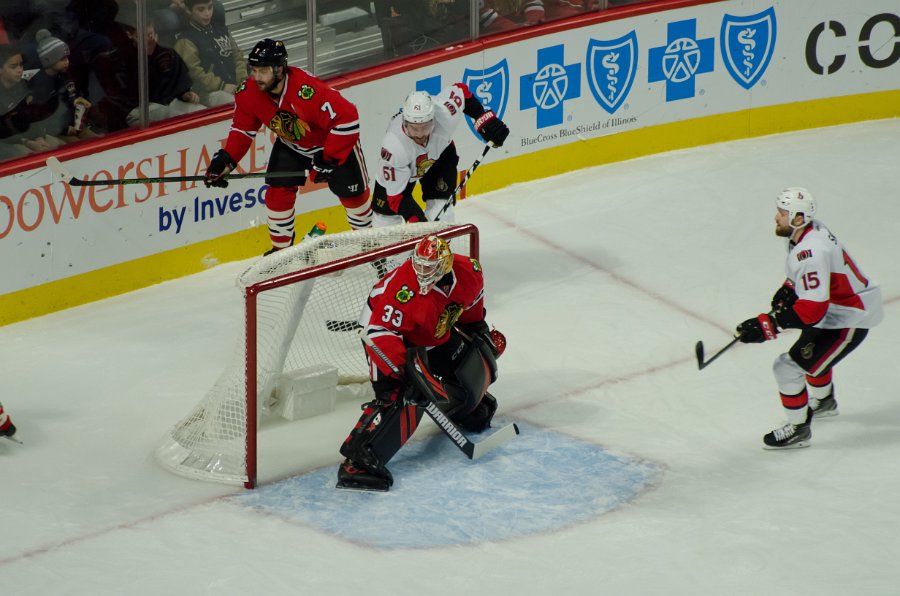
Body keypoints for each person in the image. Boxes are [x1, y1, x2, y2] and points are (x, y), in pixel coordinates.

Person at [337, 234, 507, 491]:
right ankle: (358, 462)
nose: (422, 271)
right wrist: (402, 373)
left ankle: (464, 408)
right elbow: (380, 331)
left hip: (432, 330)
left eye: (429, 267)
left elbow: (472, 304)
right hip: (384, 335)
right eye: (419, 264)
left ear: (445, 265)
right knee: (398, 397)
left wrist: (477, 329)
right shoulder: (402, 289)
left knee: (468, 361)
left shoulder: (469, 271)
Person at [735, 187, 883, 449]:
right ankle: (825, 402)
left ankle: (798, 430)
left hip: (850, 317)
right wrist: (789, 288)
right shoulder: (805, 234)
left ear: (798, 218)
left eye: (782, 213)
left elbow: (811, 312)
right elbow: (814, 279)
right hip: (837, 308)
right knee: (812, 356)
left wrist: (768, 325)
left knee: (786, 368)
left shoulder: (810, 252)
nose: (776, 217)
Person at [204, 39, 372, 255]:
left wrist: (329, 158)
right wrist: (226, 160)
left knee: (354, 197)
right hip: (291, 145)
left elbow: (347, 119)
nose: (256, 76)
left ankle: (372, 248)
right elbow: (242, 130)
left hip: (330, 144)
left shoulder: (306, 90)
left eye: (263, 70)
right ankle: (281, 254)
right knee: (277, 195)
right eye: (253, 69)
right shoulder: (248, 92)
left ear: (279, 69)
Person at [371, 83, 509, 227]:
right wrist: (420, 224)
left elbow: (462, 91)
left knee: (443, 215)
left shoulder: (445, 113)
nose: (420, 135)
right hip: (401, 172)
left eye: (425, 127)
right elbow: (396, 198)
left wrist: (483, 118)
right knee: (384, 225)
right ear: (405, 123)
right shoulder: (394, 146)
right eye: (414, 128)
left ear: (433, 119)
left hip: (440, 156)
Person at [92, 14, 203, 131]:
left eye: (151, 34)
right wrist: (148, 57)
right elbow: (131, 94)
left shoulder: (166, 53)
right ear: (130, 35)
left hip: (167, 101)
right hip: (136, 109)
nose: (149, 39)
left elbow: (175, 81)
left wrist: (184, 93)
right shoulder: (117, 59)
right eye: (143, 36)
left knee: (200, 112)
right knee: (176, 117)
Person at [26, 29, 95, 144]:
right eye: (62, 59)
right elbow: (43, 115)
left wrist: (77, 100)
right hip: (55, 130)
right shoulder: (39, 84)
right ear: (48, 60)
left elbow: (70, 96)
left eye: (67, 58)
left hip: (72, 124)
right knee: (77, 145)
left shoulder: (65, 76)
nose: (67, 62)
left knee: (95, 140)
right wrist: (65, 129)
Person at [172, 0, 245, 106]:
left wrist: (242, 81)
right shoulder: (186, 40)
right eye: (201, 9)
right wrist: (222, 86)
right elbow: (195, 74)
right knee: (236, 103)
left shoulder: (222, 30)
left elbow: (238, 57)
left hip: (235, 84)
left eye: (210, 8)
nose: (207, 13)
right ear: (188, 10)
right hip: (208, 92)